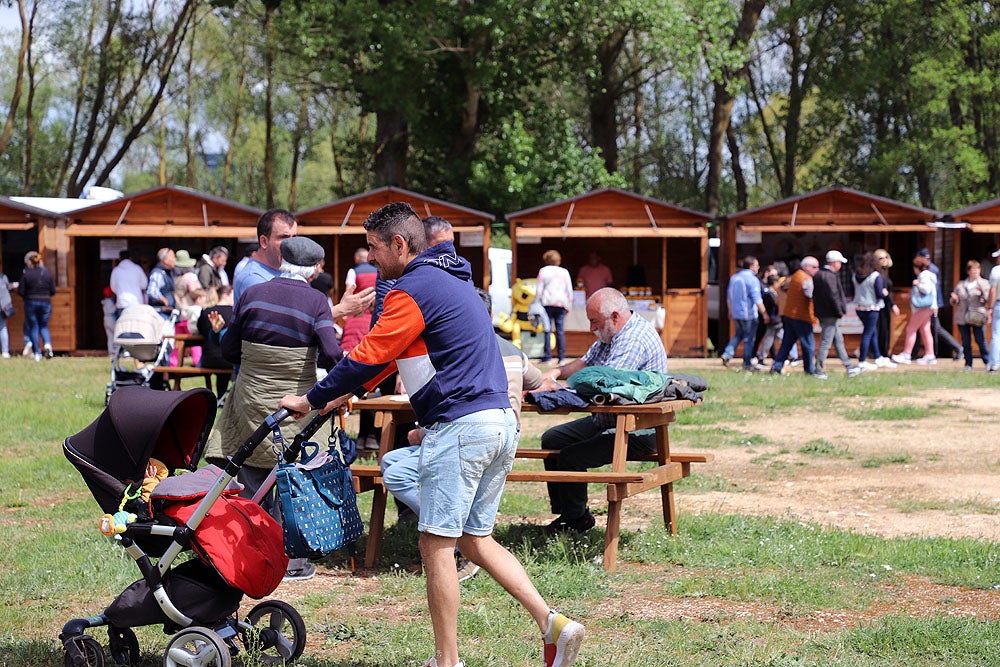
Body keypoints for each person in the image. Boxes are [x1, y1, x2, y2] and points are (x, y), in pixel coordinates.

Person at [279, 202, 586, 667]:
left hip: (461, 426)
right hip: (500, 423)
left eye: (375, 249)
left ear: (399, 245)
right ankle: (553, 624)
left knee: (436, 544)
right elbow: (386, 357)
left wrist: (312, 398)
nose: (371, 258)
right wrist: (345, 394)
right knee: (474, 539)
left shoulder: (411, 289)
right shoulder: (453, 282)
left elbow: (368, 353)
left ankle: (446, 662)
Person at [379, 287, 551, 582]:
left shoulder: (458, 349)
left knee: (396, 473)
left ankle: (450, 530)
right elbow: (542, 382)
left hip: (464, 436)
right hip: (505, 435)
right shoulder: (512, 351)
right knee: (391, 463)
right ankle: (545, 615)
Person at [208, 236, 345, 583]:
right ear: (314, 270)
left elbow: (228, 350)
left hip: (251, 399)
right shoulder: (316, 301)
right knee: (292, 478)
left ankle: (250, 552)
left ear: (280, 261)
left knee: (253, 472)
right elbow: (331, 354)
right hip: (295, 407)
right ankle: (291, 560)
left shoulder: (253, 294)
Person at [538, 287, 668, 534]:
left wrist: (559, 391)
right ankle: (573, 515)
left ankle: (575, 521)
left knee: (570, 456)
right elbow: (585, 363)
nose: (591, 328)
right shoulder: (613, 335)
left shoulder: (633, 339)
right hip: (612, 420)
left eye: (594, 321)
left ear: (615, 316)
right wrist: (554, 374)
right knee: (553, 440)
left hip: (638, 428)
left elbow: (603, 386)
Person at [812, 250, 862, 379]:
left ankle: (849, 366)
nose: (840, 265)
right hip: (831, 314)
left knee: (838, 340)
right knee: (826, 342)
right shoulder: (830, 276)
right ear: (834, 262)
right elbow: (833, 296)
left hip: (823, 313)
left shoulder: (818, 274)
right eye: (839, 262)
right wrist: (839, 311)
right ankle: (819, 370)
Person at [769, 256, 820, 376]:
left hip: (789, 314)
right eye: (815, 267)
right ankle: (809, 370)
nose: (817, 270)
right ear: (806, 267)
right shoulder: (806, 279)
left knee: (787, 343)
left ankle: (777, 366)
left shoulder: (794, 276)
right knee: (808, 344)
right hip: (801, 315)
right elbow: (811, 295)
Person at [912, 248, 962, 360]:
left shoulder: (930, 270)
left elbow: (932, 289)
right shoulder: (931, 268)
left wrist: (936, 304)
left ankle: (956, 347)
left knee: (936, 329)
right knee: (926, 328)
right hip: (932, 303)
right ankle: (919, 353)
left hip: (931, 304)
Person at [720, 255, 768, 371]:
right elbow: (757, 299)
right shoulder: (752, 279)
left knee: (738, 334)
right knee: (749, 338)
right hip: (748, 314)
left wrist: (730, 310)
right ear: (751, 267)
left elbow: (729, 296)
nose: (758, 268)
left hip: (736, 313)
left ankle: (727, 354)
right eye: (757, 265)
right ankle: (747, 363)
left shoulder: (735, 278)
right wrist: (765, 313)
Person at [891, 254, 938, 365]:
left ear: (917, 267)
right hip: (930, 307)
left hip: (923, 307)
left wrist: (917, 284)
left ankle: (906, 354)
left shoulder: (923, 276)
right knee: (925, 330)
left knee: (911, 329)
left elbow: (925, 290)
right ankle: (930, 355)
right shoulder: (929, 275)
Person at [950, 259, 990, 371]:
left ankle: (988, 361)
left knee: (980, 339)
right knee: (966, 341)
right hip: (962, 316)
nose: (975, 272)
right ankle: (968, 364)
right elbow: (954, 301)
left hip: (977, 315)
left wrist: (983, 292)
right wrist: (954, 299)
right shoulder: (961, 284)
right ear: (968, 271)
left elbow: (988, 300)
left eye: (977, 269)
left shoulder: (985, 283)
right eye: (973, 269)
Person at [196, 285, 235, 398]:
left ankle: (220, 398)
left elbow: (200, 330)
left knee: (221, 371)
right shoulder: (234, 312)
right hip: (230, 360)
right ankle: (222, 399)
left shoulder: (206, 311)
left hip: (208, 359)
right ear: (225, 295)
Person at [536, 249, 574, 364]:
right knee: (560, 331)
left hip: (547, 303)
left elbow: (539, 290)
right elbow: (569, 290)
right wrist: (569, 305)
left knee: (547, 330)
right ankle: (561, 357)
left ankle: (548, 357)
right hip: (561, 303)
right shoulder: (564, 272)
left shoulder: (543, 271)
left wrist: (537, 303)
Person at [852, 251, 888, 370]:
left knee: (872, 332)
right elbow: (879, 293)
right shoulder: (875, 276)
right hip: (872, 307)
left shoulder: (855, 275)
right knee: (868, 334)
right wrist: (884, 293)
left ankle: (878, 357)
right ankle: (862, 360)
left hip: (859, 307)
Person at [18, 251, 57, 361]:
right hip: (45, 302)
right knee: (44, 326)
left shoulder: (27, 274)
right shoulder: (47, 274)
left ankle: (37, 353)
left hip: (31, 302)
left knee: (34, 327)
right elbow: (53, 291)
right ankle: (48, 345)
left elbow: (21, 291)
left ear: (30, 262)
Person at [873, 249, 899, 366]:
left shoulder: (884, 272)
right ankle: (882, 354)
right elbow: (884, 292)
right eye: (880, 258)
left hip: (885, 305)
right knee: (882, 330)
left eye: (885, 257)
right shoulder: (878, 274)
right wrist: (893, 304)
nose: (884, 260)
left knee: (885, 329)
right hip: (881, 305)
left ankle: (883, 353)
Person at [109, 248, 148, 317]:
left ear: (120, 258)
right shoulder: (137, 268)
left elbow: (113, 288)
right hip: (136, 303)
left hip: (122, 302)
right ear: (130, 258)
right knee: (136, 326)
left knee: (123, 326)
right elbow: (144, 285)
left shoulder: (116, 270)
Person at [146, 248, 177, 320]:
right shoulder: (158, 273)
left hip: (168, 312)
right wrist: (164, 300)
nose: (175, 259)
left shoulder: (169, 272)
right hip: (160, 313)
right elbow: (152, 291)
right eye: (173, 257)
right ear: (165, 260)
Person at [0, 264, 15, 358]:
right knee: (3, 328)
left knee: (3, 327)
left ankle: (5, 351)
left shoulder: (4, 277)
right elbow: (7, 287)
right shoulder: (3, 277)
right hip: (4, 306)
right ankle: (5, 351)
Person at [988, 249, 1000, 372]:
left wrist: (989, 307)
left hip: (998, 303)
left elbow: (992, 290)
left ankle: (995, 363)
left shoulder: (996, 270)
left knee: (996, 334)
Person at [101, 286, 117, 357]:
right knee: (115, 335)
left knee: (110, 337)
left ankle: (110, 351)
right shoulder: (109, 302)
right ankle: (115, 351)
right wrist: (116, 306)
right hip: (111, 319)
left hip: (106, 320)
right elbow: (111, 310)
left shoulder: (104, 301)